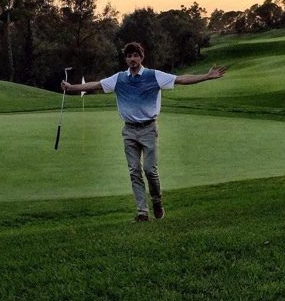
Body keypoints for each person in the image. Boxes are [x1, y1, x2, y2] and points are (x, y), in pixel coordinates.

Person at [61, 42, 227, 222]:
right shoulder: (119, 78)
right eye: (129, 56)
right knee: (134, 172)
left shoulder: (153, 75)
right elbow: (95, 85)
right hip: (129, 131)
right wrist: (71, 88)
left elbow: (180, 79)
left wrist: (207, 76)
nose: (132, 59)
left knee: (149, 170)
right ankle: (142, 212)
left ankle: (157, 201)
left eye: (135, 55)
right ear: (126, 59)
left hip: (148, 129)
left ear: (141, 57)